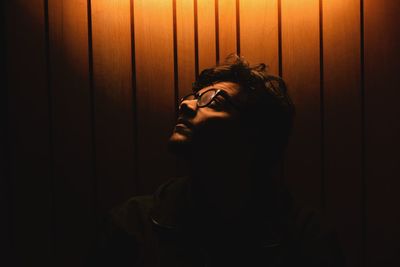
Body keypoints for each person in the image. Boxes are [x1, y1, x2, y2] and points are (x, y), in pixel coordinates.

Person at [89, 55, 345, 267]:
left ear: (254, 133)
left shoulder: (304, 237)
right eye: (190, 97)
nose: (187, 105)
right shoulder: (134, 224)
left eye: (213, 100)